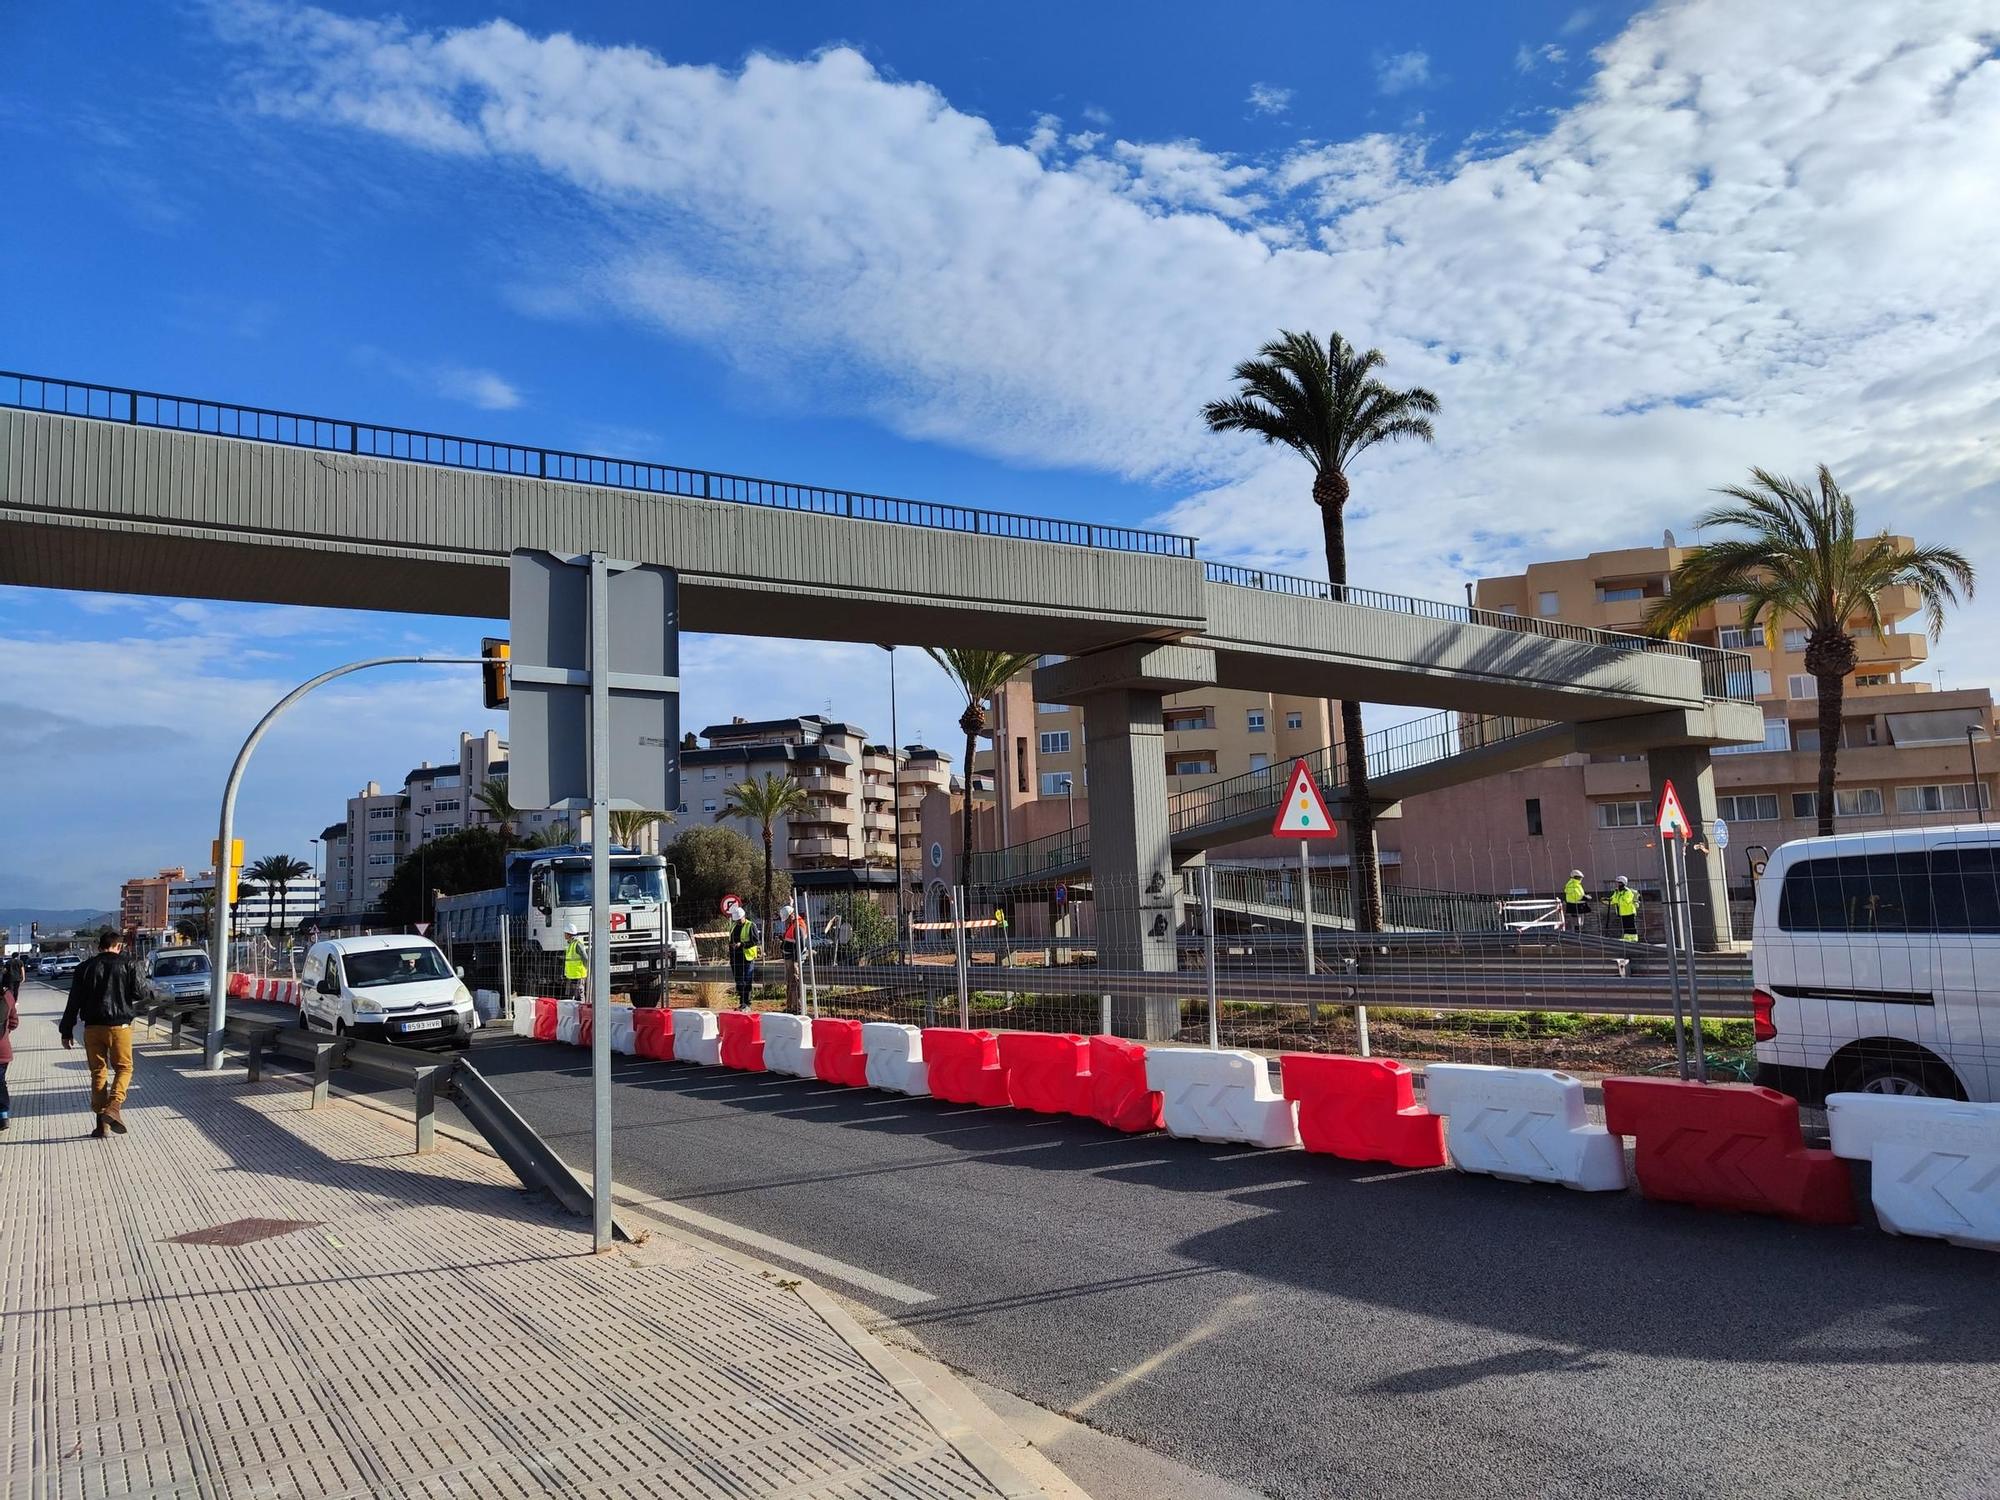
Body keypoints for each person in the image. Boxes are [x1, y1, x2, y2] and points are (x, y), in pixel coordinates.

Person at [59, 931, 147, 1139]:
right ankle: (114, 1106)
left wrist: (66, 1029)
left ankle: (101, 1125)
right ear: (118, 946)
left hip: (92, 1027)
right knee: (124, 1068)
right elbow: (140, 993)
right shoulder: (129, 964)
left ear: (100, 946)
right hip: (120, 1027)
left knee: (98, 1072)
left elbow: (74, 1001)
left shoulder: (84, 968)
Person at [726, 901, 760, 1010]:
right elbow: (730, 940)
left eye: (740, 920)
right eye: (737, 921)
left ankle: (747, 1004)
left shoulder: (751, 925)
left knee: (747, 981)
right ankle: (742, 1003)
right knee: (739, 982)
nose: (739, 922)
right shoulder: (734, 926)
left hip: (747, 957)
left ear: (744, 916)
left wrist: (742, 944)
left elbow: (755, 941)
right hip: (735, 958)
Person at [0, 960, 20, 1131]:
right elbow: (14, 1022)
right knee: (0, 1082)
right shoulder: (7, 996)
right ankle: (3, 1115)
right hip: (2, 1049)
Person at [779, 903, 804, 1012]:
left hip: (793, 960)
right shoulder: (793, 924)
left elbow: (801, 945)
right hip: (790, 958)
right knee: (790, 983)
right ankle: (790, 1007)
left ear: (791, 915)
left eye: (787, 919)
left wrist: (795, 960)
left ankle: (797, 1007)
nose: (786, 922)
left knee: (795, 983)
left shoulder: (798, 926)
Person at [1608, 876, 1641, 943]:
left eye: (1619, 883)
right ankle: (1627, 938)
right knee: (1625, 925)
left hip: (1629, 911)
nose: (1618, 885)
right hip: (1622, 912)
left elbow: (1626, 901)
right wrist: (1608, 900)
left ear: (1623, 883)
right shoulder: (1617, 892)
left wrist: (1616, 900)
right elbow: (1613, 899)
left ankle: (1634, 938)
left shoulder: (1628, 892)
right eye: (1617, 883)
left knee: (1631, 925)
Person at [561, 922, 588, 1003]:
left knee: (579, 995)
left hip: (578, 975)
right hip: (571, 975)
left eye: (565, 933)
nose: (564, 935)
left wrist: (586, 969)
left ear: (569, 934)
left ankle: (583, 1011)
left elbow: (585, 958)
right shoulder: (570, 944)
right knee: (572, 997)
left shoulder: (577, 944)